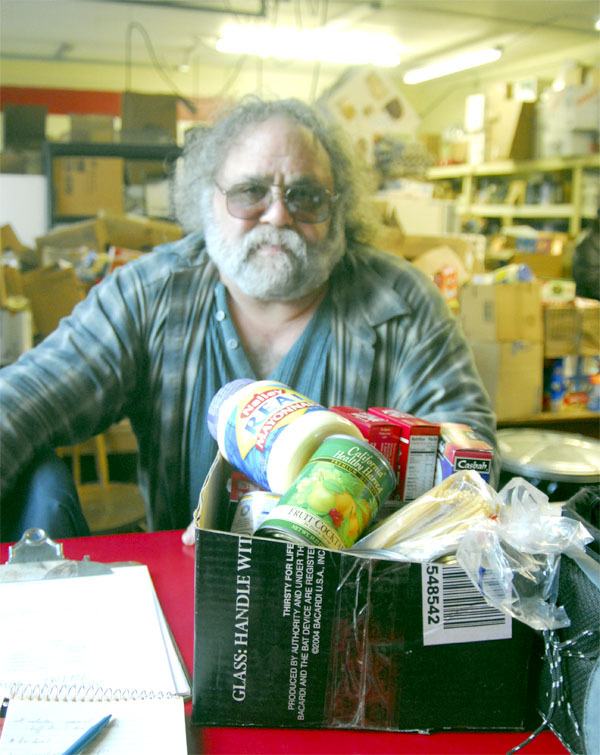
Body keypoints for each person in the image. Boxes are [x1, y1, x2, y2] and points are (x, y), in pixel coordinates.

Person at [0, 96, 496, 545]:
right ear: (208, 201)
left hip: (352, 592)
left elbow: (470, 468)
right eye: (250, 191)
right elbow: (20, 402)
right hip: (188, 585)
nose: (278, 215)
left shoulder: (402, 304)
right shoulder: (148, 295)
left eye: (306, 196)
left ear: (339, 210)